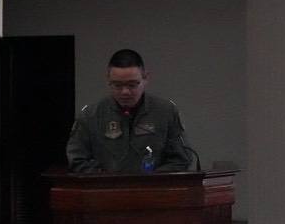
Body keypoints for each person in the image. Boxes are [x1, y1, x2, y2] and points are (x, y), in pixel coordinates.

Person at [66, 49, 194, 173]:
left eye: (132, 85)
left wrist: (151, 180)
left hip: (154, 186)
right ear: (108, 80)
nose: (125, 92)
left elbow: (181, 159)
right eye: (117, 85)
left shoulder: (166, 112)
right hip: (105, 186)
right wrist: (105, 178)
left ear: (145, 78)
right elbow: (77, 160)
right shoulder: (90, 116)